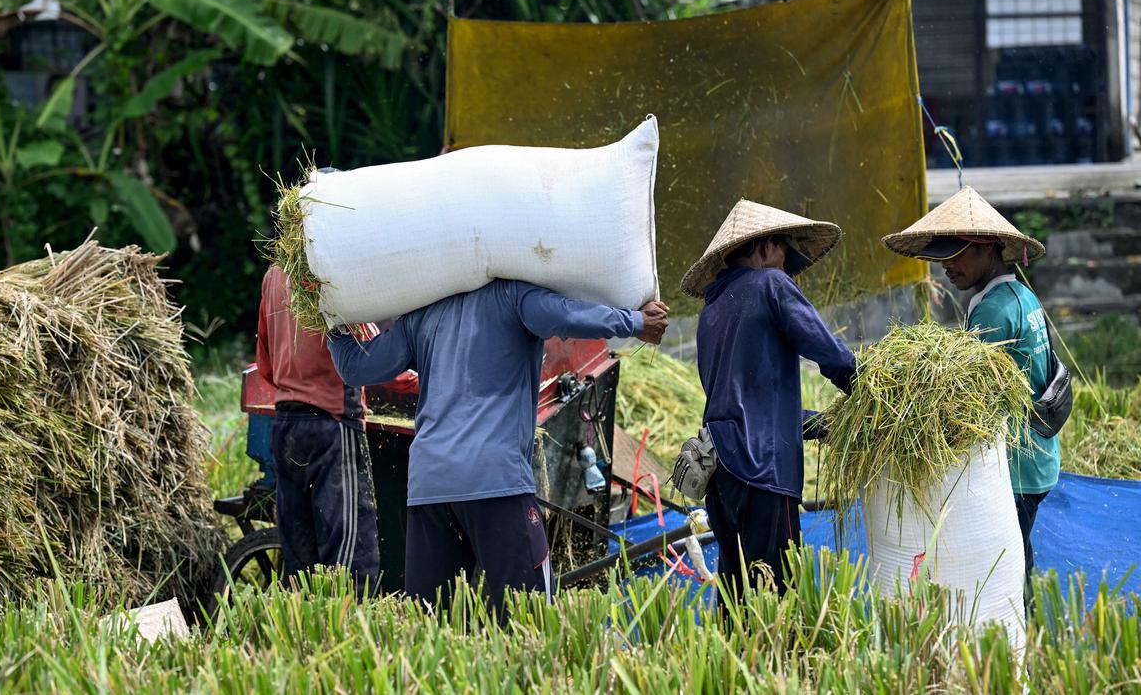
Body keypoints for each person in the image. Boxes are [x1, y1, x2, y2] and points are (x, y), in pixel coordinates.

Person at [326, 280, 668, 614]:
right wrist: (636, 322)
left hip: (430, 486)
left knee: (430, 624)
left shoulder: (423, 313)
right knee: (530, 619)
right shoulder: (513, 295)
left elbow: (357, 367)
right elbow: (570, 316)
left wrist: (330, 317)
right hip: (495, 484)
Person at [882, 185, 1058, 597]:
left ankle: (1017, 640)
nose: (947, 267)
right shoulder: (1020, 294)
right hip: (1038, 455)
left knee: (1010, 565)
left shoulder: (993, 310)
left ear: (987, 249)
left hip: (1017, 462)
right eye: (941, 257)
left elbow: (963, 395)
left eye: (956, 255)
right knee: (1017, 554)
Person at [680, 199, 855, 602]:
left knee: (737, 590)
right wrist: (870, 390)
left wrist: (822, 423)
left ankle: (732, 663)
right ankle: (776, 663)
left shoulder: (712, 310)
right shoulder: (770, 284)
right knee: (775, 592)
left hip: (721, 469)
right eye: (782, 255)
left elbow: (749, 404)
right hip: (763, 471)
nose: (784, 269)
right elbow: (828, 352)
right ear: (763, 247)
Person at [256, 265, 419, 592]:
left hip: (286, 423)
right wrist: (419, 380)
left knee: (300, 556)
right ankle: (348, 631)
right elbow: (371, 357)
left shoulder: (275, 274)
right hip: (331, 424)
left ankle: (303, 629)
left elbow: (266, 364)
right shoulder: (332, 269)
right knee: (350, 551)